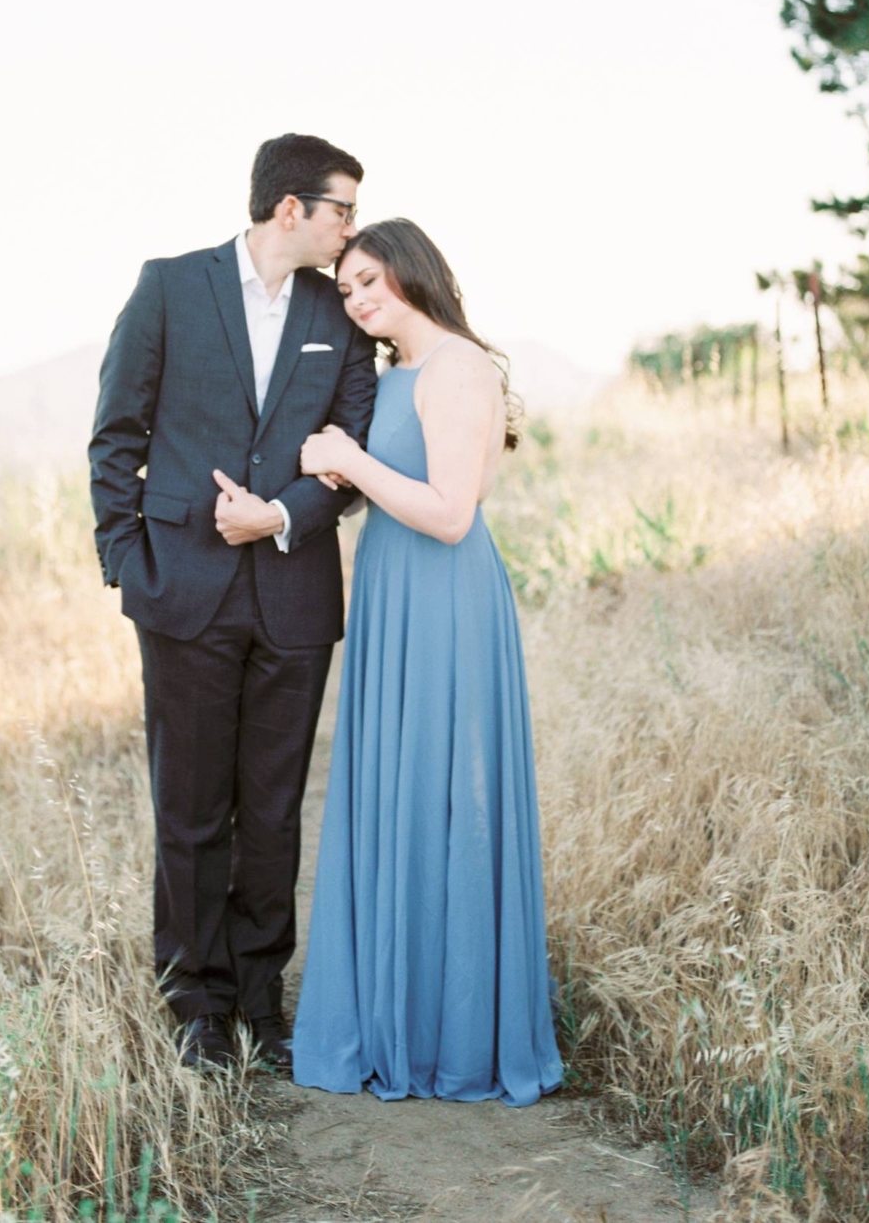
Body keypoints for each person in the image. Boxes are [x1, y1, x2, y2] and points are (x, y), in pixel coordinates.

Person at [89, 134, 377, 1070]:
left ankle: (261, 998)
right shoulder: (170, 287)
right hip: (183, 592)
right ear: (290, 207)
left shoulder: (343, 314)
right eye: (343, 209)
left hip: (294, 593)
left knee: (273, 806)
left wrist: (283, 518)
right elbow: (116, 435)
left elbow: (353, 447)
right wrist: (130, 566)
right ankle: (195, 1006)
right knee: (190, 808)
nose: (351, 228)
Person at [291, 218, 562, 1106]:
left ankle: (452, 1035)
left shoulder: (455, 367)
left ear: (413, 272)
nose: (360, 299)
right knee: (403, 796)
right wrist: (348, 473)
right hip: (394, 595)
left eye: (372, 281)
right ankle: (400, 1013)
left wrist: (349, 460)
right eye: (348, 290)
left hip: (443, 597)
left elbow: (452, 512)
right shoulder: (396, 372)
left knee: (447, 798)